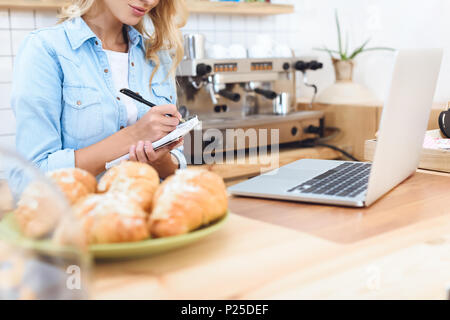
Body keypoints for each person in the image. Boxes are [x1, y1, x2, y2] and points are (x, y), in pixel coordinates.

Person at [11, 0, 188, 178]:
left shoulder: (157, 55)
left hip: (144, 204)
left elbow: (176, 165)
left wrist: (158, 160)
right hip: (80, 205)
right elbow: (29, 177)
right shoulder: (46, 49)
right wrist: (133, 137)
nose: (149, 1)